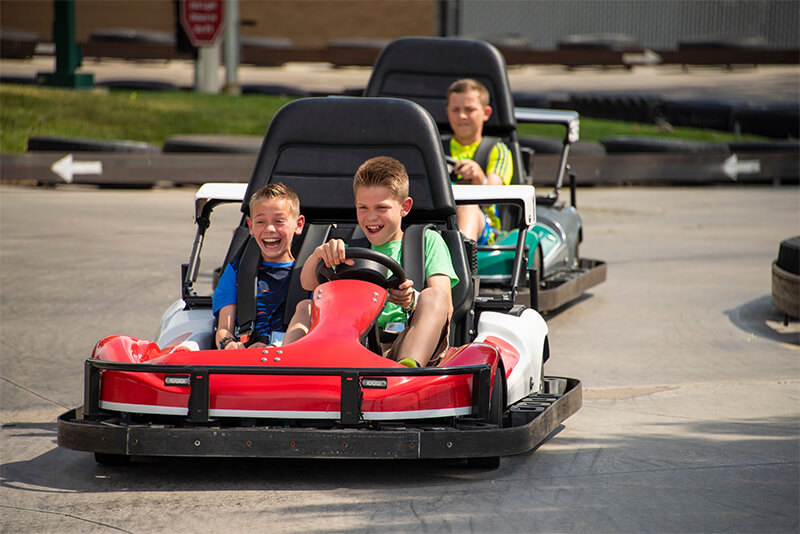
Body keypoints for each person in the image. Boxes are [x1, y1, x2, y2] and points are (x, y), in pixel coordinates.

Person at [293, 156, 460, 367]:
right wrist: (320, 254)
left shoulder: (426, 241)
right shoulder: (346, 245)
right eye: (363, 208)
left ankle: (406, 371)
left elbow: (445, 303)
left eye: (381, 208)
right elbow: (307, 283)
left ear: (404, 207)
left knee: (435, 295)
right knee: (305, 306)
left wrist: (411, 301)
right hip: (351, 341)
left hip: (404, 340)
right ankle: (286, 369)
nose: (371, 217)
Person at [212, 182, 309, 350]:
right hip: (247, 356)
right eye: (261, 222)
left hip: (291, 357)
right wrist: (229, 345)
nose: (270, 229)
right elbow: (224, 329)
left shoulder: (310, 275)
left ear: (298, 224)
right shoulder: (236, 273)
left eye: (279, 221)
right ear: (250, 226)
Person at [445, 78, 514, 244]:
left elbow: (494, 196)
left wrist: (478, 177)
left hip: (485, 228)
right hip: (440, 221)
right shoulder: (435, 147)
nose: (462, 116)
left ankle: (462, 264)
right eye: (456, 110)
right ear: (448, 112)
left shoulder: (497, 150)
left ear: (486, 113)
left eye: (469, 110)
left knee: (468, 206)